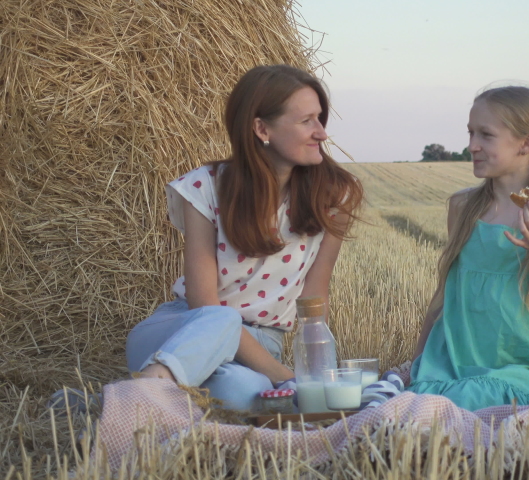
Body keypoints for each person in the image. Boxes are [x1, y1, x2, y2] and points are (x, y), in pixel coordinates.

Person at [122, 64, 363, 411]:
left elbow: (314, 299)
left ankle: (122, 400)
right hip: (182, 329)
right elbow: (203, 303)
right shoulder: (205, 186)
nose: (322, 133)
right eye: (306, 121)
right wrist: (284, 376)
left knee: (243, 392)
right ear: (262, 128)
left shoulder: (333, 198)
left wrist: (320, 380)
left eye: (320, 118)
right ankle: (152, 387)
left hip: (261, 346)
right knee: (223, 320)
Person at [406, 86, 529, 412]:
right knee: (411, 410)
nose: (472, 145)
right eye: (471, 132)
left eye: (486, 135)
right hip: (452, 368)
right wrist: (415, 365)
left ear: (527, 143)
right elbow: (444, 297)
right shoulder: (463, 207)